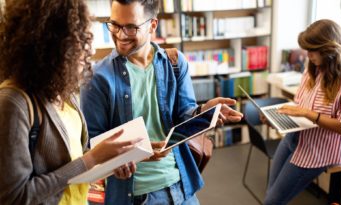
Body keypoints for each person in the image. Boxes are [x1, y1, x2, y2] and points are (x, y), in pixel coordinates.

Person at [80, 0, 243, 204]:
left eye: (131, 27)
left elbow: (184, 115)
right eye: (115, 24)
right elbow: (91, 146)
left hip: (182, 185)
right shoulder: (96, 78)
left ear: (153, 25)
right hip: (136, 195)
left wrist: (203, 112)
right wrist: (116, 161)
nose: (120, 35)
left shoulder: (174, 63)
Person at [0, 1, 140, 204]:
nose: (90, 51)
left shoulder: (65, 94)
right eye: (79, 40)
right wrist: (91, 159)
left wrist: (108, 162)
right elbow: (14, 197)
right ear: (50, 45)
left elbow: (75, 159)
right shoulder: (13, 104)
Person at [264, 19, 341, 205]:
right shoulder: (314, 69)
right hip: (293, 140)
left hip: (316, 152)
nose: (307, 54)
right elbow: (300, 107)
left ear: (328, 49)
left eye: (311, 50)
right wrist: (275, 119)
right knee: (271, 195)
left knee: (272, 202)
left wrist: (309, 114)